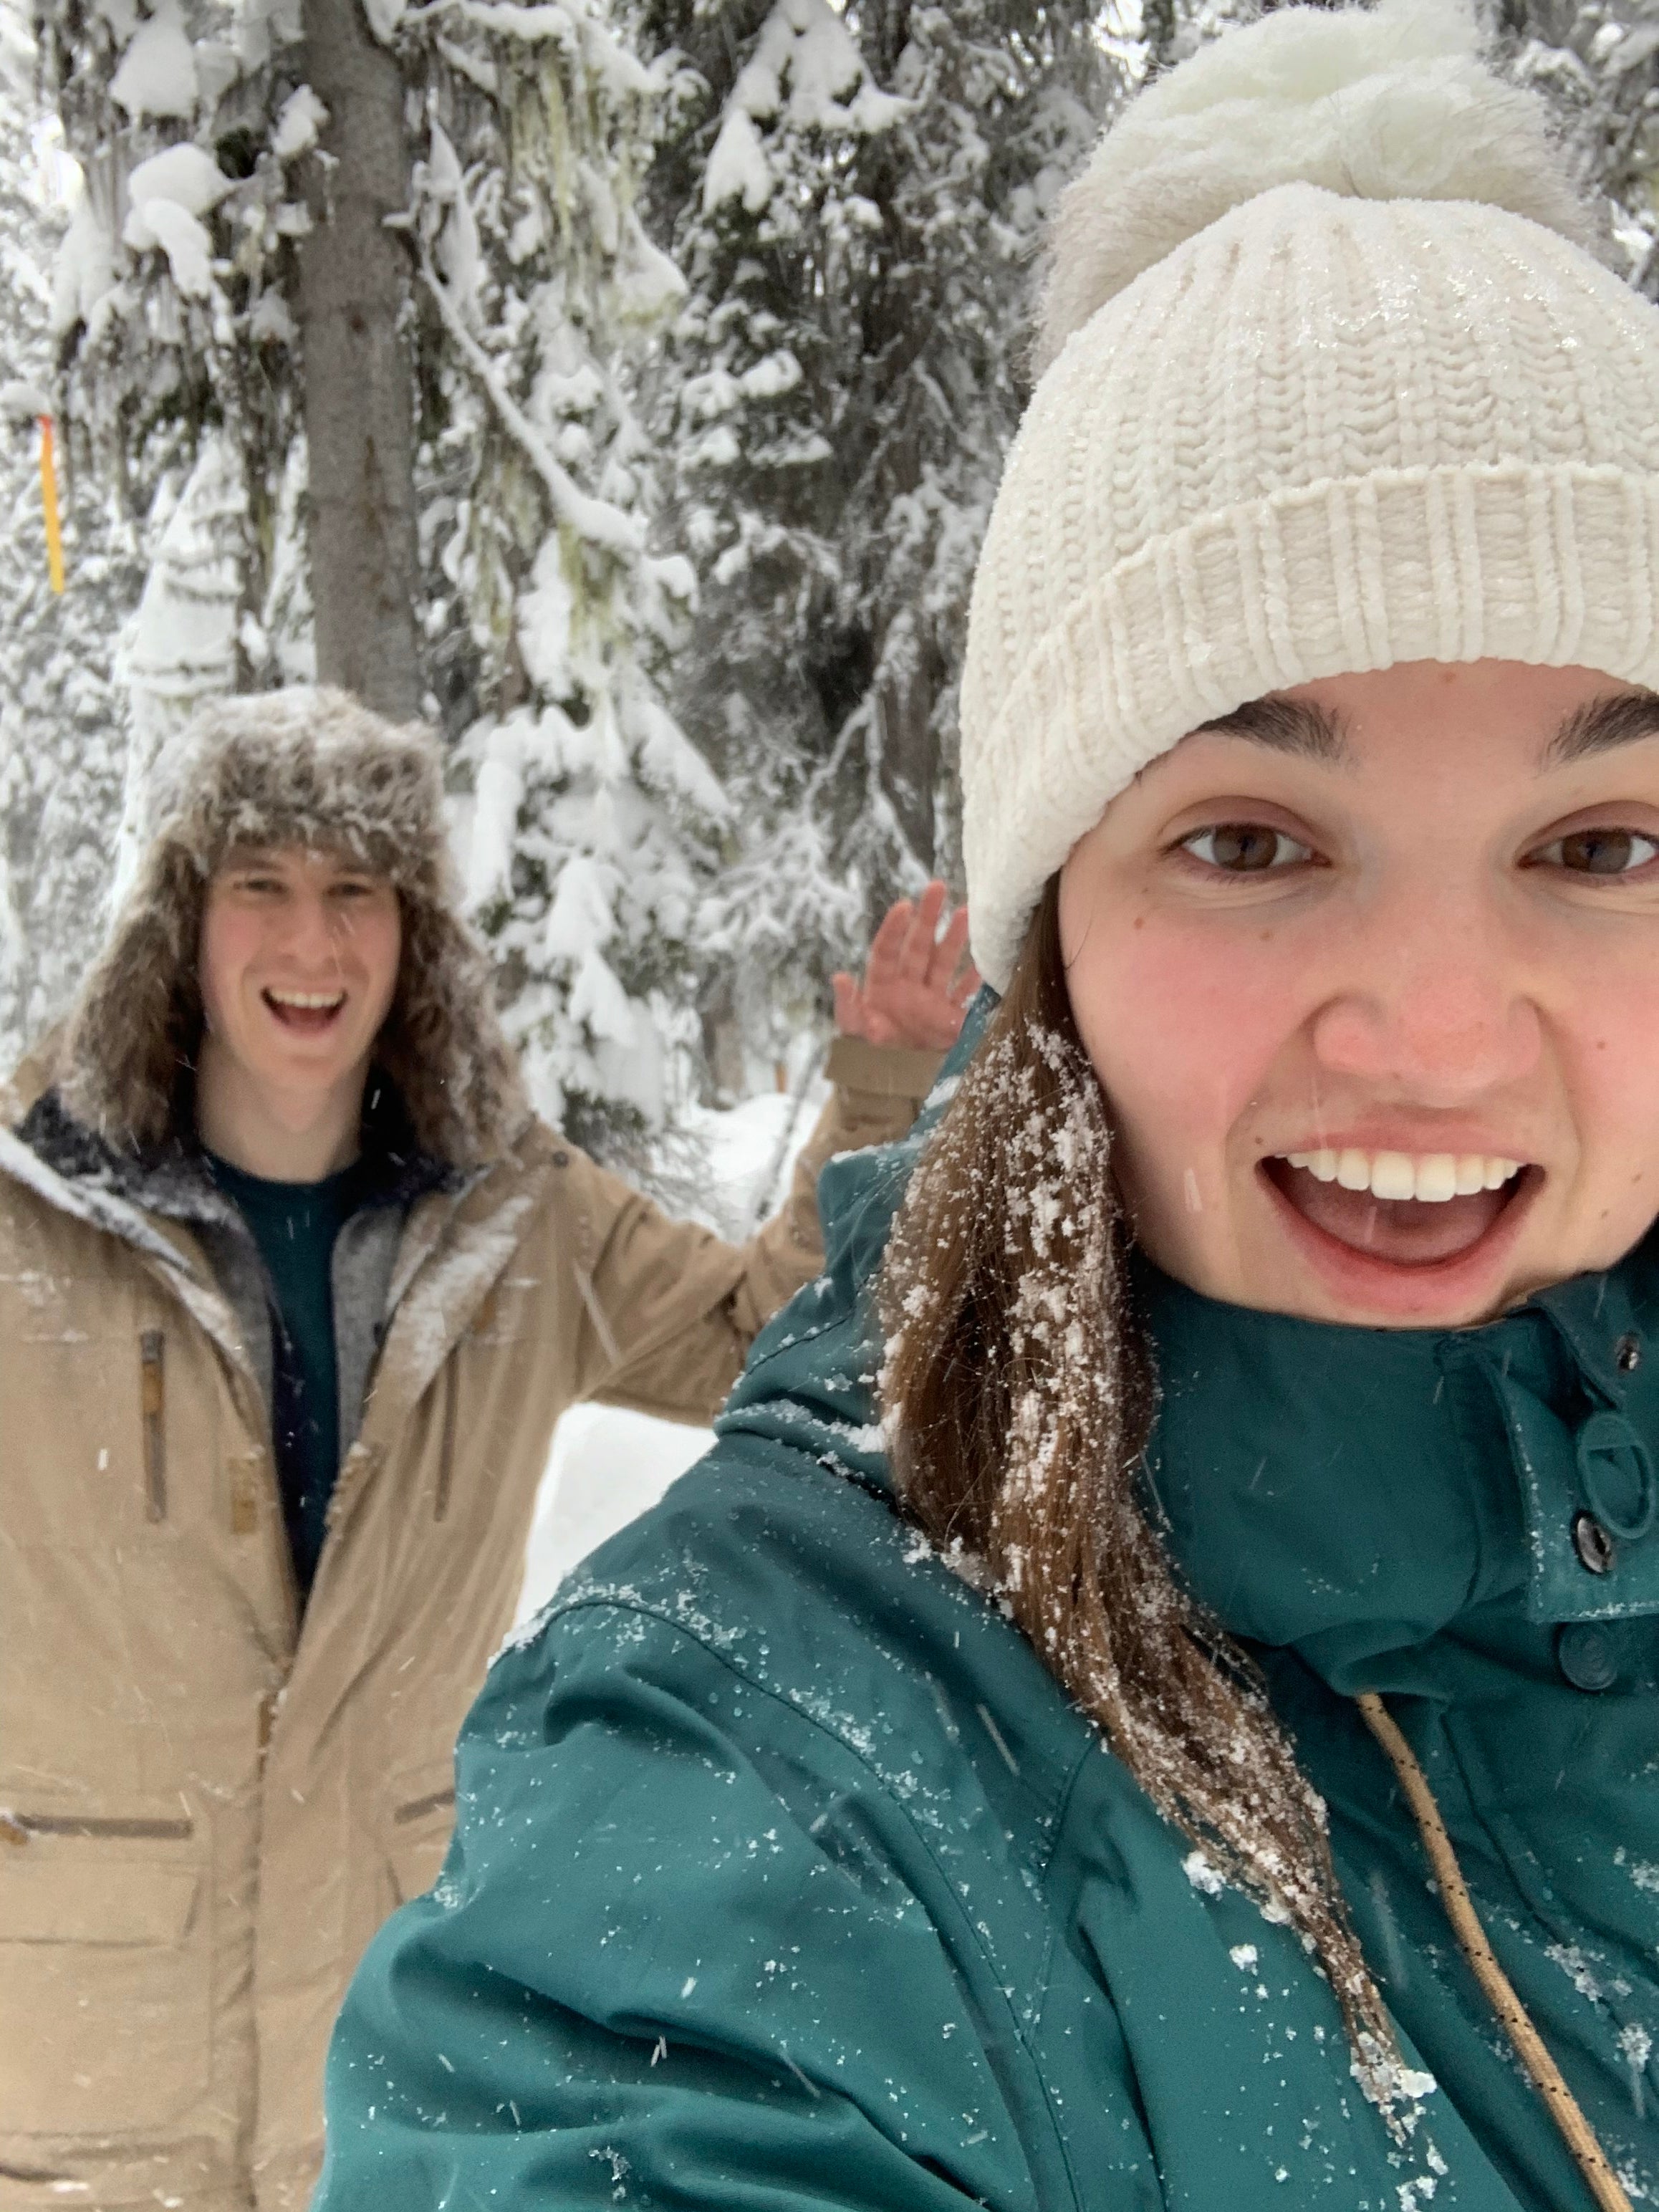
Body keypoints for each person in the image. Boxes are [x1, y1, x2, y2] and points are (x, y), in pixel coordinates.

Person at [316, 4, 1659, 2208]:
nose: (1436, 1037)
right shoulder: (775, 1771)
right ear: (1053, 942)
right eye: (1247, 840)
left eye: (1600, 845)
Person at [0, 683, 976, 2212]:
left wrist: (881, 1099)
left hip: (393, 2067)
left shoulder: (522, 1219)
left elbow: (757, 1343)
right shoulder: (22, 1223)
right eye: (262, 885)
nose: (311, 944)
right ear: (184, 922)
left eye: (355, 892)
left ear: (414, 939)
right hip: (73, 2092)